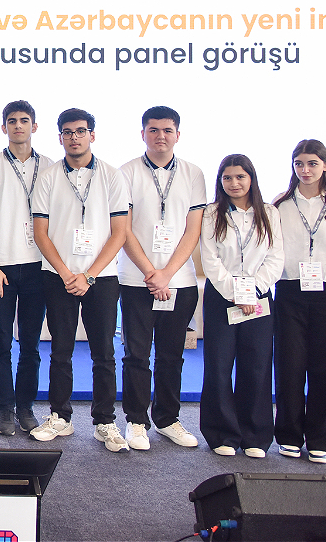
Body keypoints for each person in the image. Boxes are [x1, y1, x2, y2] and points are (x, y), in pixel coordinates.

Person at [30, 108, 130, 451]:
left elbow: (120, 233)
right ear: (60, 137)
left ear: (92, 135)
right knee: (60, 350)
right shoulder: (48, 177)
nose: (74, 137)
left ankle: (105, 422)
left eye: (81, 131)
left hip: (102, 278)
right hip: (58, 277)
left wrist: (88, 275)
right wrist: (66, 273)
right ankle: (60, 417)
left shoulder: (113, 176)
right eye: (68, 132)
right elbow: (40, 233)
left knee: (104, 353)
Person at [115, 106, 205, 451]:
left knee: (171, 356)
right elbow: (123, 229)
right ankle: (136, 422)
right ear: (143, 134)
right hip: (136, 280)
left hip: (179, 282)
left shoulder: (193, 174)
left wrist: (167, 274)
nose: (160, 136)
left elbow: (193, 230)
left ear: (178, 135)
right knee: (136, 355)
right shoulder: (126, 172)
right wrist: (151, 273)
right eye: (153, 130)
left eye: (167, 130)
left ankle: (168, 420)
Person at [273, 139, 326, 464]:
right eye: (299, 164)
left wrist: (322, 275)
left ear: (325, 165)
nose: (305, 170)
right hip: (290, 290)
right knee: (289, 365)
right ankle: (289, 435)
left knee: (324, 366)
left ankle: (320, 439)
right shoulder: (280, 205)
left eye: (312, 163)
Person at [0, 100, 55, 436]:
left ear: (34, 126)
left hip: (39, 267)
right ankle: (5, 409)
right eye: (11, 121)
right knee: (2, 343)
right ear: (3, 127)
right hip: (2, 270)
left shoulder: (51, 166)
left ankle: (25, 407)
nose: (18, 126)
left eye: (24, 120)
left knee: (31, 345)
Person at [199, 154, 284, 458]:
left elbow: (275, 257)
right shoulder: (212, 213)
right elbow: (210, 259)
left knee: (257, 366)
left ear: (251, 179)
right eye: (227, 178)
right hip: (222, 296)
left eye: (240, 177)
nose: (234, 183)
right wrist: (236, 293)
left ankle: (255, 436)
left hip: (259, 297)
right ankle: (222, 433)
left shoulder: (270, 213)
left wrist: (253, 292)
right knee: (219, 365)